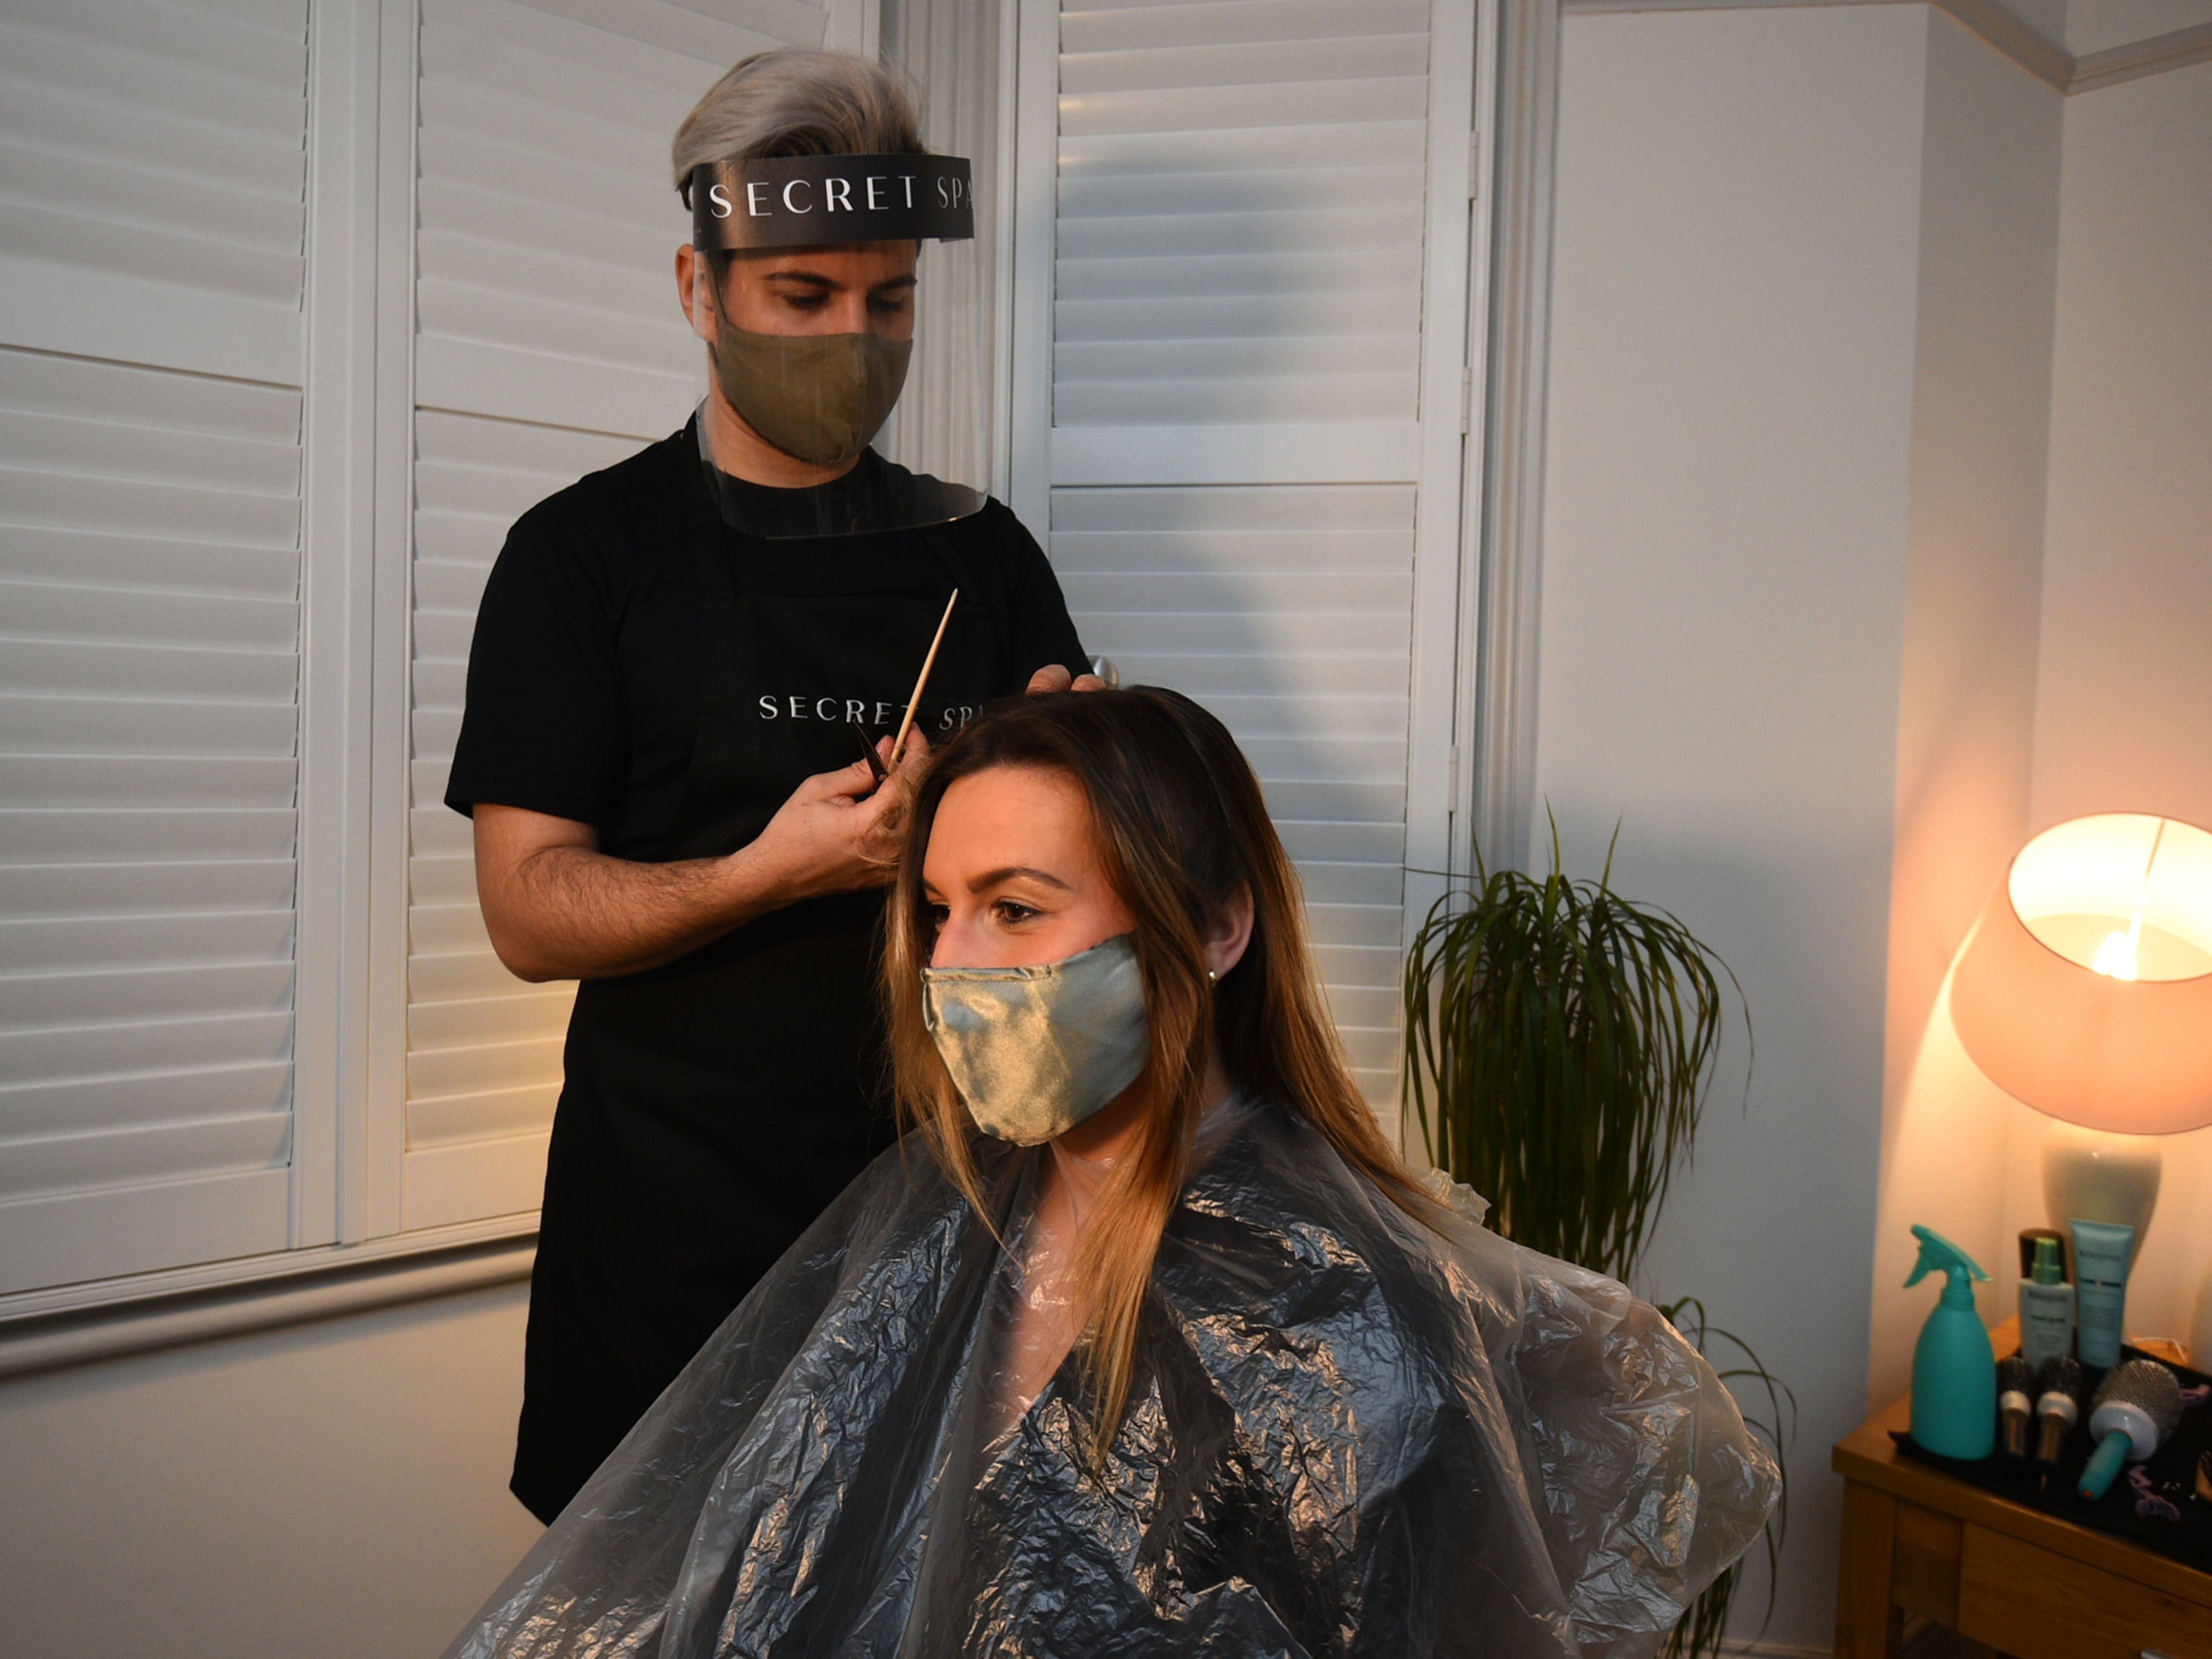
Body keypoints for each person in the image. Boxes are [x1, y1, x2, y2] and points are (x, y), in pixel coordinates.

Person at [445, 689, 1781, 1658]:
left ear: (1212, 924)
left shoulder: (1343, 1317)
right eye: (938, 906)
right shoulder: (932, 1213)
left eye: (1018, 907)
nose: (954, 961)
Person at [445, 48, 1099, 1524]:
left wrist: (1080, 775)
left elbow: (1061, 890)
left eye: (890, 302)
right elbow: (528, 914)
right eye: (804, 300)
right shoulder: (582, 558)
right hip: (674, 1248)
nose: (852, 343)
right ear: (701, 286)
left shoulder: (982, 556)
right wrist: (774, 868)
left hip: (950, 1229)